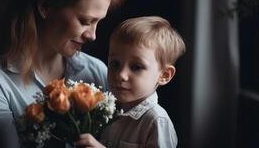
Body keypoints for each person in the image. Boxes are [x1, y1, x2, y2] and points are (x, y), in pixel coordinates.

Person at [0, 0, 126, 147]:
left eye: (98, 22)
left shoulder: (97, 72)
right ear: (45, 6)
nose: (92, 36)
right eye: (85, 20)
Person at [74, 16, 186, 148]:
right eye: (115, 64)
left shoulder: (156, 121)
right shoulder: (105, 111)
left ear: (164, 75)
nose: (121, 75)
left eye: (136, 67)